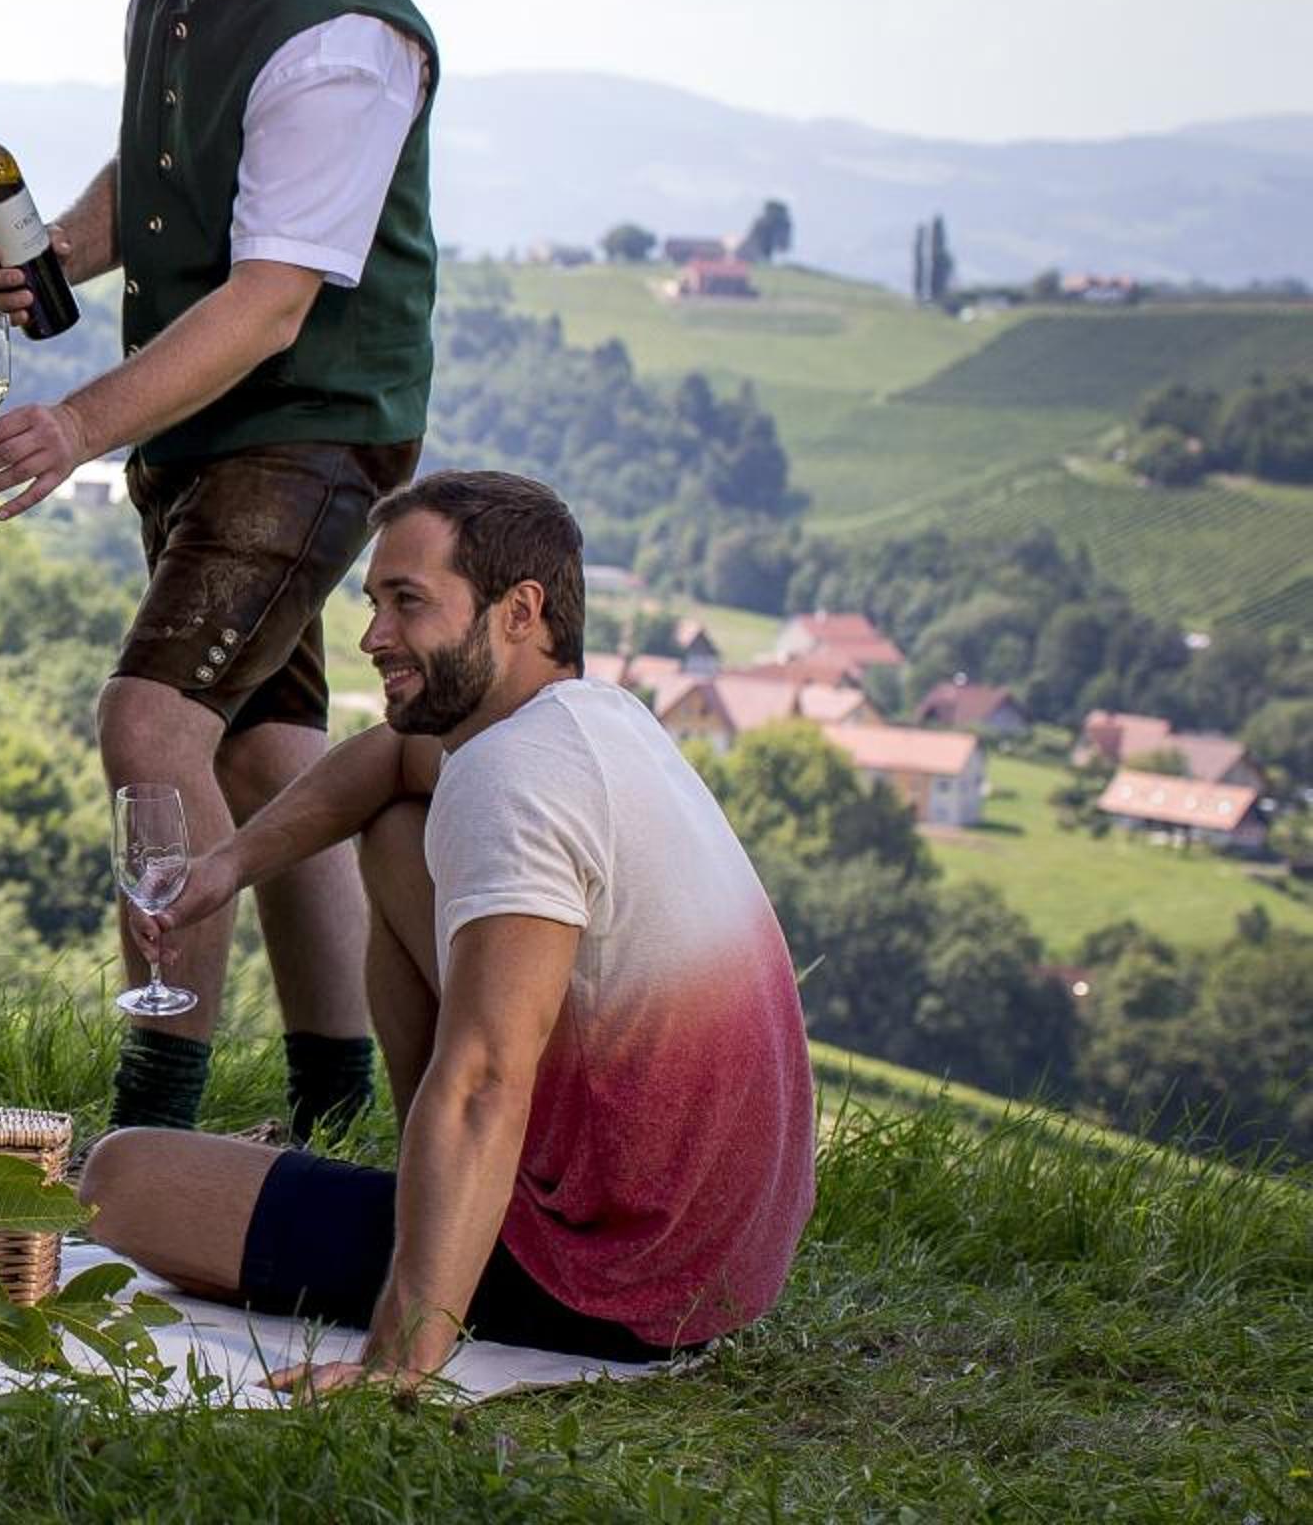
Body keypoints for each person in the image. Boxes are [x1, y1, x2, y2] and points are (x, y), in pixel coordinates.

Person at [0, 0, 439, 1140]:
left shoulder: (342, 35)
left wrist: (73, 425)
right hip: (210, 428)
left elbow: (271, 301)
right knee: (264, 753)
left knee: (151, 722)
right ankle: (335, 1116)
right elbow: (160, 173)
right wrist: (61, 251)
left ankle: (151, 1120)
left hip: (307, 421)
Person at [80, 471, 816, 1389]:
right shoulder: (596, 720)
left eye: (410, 603)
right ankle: (423, 1191)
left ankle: (435, 1245)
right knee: (396, 828)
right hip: (727, 1261)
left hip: (617, 1277)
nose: (373, 637)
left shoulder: (514, 779)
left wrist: (400, 1362)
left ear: (520, 612)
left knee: (124, 1180)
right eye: (374, 603)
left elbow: (484, 1082)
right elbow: (392, 759)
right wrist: (224, 868)